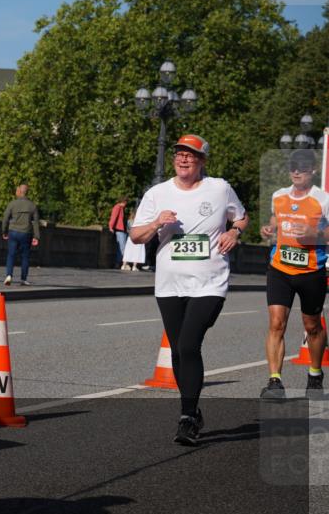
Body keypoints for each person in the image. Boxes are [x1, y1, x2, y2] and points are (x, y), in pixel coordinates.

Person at [130, 134, 248, 446]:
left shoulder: (220, 188)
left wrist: (235, 231)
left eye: (191, 155)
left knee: (189, 344)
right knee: (181, 350)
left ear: (202, 161)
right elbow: (136, 236)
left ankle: (185, 418)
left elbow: (242, 217)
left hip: (210, 282)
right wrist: (157, 222)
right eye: (179, 154)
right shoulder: (158, 193)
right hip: (169, 285)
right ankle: (193, 410)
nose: (183, 159)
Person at [259, 148, 328, 398]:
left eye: (302, 167)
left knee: (312, 326)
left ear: (312, 170)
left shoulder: (323, 199)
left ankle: (315, 372)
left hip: (311, 271)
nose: (296, 171)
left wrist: (314, 235)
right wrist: (270, 228)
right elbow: (276, 221)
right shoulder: (279, 195)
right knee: (277, 323)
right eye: (292, 167)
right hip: (279, 268)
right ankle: (275, 381)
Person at [2, 183, 41, 286]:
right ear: (27, 192)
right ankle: (23, 278)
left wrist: (4, 231)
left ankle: (9, 275)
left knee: (11, 254)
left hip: (13, 231)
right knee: (25, 257)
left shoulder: (12, 204)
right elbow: (36, 222)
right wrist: (36, 236)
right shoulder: (32, 205)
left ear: (19, 191)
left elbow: (5, 218)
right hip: (26, 233)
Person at [121, 206, 147, 271]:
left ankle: (124, 265)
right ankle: (134, 266)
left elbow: (127, 230)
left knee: (128, 251)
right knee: (137, 252)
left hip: (130, 237)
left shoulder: (129, 221)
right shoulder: (140, 221)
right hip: (138, 236)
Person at [109, 196, 129, 268]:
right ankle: (120, 263)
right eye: (126, 202)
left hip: (122, 230)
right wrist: (111, 227)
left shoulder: (121, 208)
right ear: (123, 201)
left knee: (121, 247)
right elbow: (113, 217)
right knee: (122, 247)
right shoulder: (117, 207)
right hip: (119, 230)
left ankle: (119, 263)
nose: (126, 204)